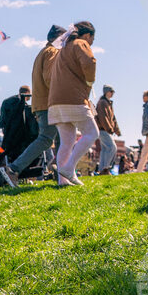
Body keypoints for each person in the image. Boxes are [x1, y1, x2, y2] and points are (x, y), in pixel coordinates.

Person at [2, 25, 67, 184]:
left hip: (43, 103)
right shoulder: (52, 52)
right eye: (64, 38)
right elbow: (50, 77)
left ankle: (61, 172)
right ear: (56, 37)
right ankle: (13, 169)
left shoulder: (43, 52)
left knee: (61, 139)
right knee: (47, 139)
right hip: (49, 104)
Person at [47, 22, 100, 186]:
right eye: (92, 38)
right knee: (92, 133)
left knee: (67, 141)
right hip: (73, 98)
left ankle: (63, 180)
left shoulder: (62, 49)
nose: (91, 43)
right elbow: (90, 62)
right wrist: (90, 81)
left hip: (55, 102)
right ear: (87, 35)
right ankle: (69, 168)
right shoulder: (80, 43)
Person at [0, 85, 39, 184]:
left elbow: (2, 122)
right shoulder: (27, 109)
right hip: (25, 140)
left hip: (10, 141)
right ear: (28, 94)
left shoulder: (8, 104)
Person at [95, 85, 122, 175]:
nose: (112, 93)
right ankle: (105, 168)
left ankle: (102, 170)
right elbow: (103, 118)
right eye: (111, 91)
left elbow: (113, 119)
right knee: (112, 147)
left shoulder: (108, 103)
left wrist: (117, 131)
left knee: (105, 149)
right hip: (103, 129)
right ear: (106, 92)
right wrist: (110, 129)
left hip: (105, 129)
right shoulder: (102, 103)